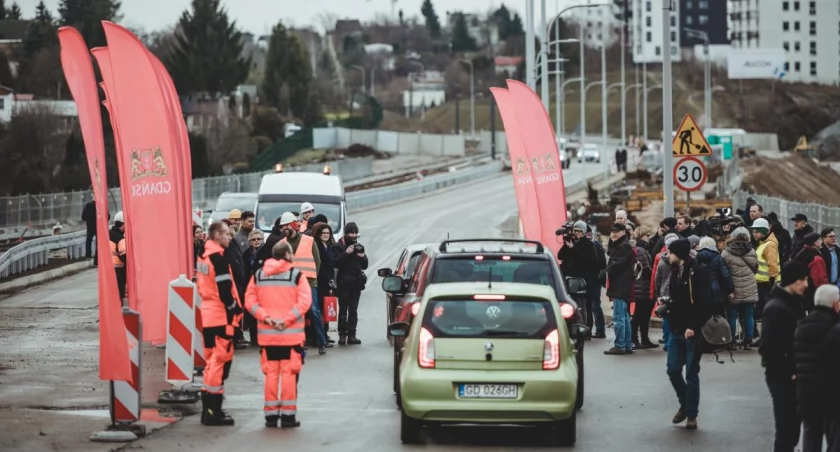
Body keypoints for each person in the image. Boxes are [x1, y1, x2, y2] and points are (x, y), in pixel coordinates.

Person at [244, 241, 311, 428]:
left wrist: (266, 318)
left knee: (271, 375)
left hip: (268, 336)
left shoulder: (258, 276)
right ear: (287, 255)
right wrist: (287, 320)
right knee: (289, 374)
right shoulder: (296, 276)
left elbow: (250, 302)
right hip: (291, 336)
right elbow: (305, 302)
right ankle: (288, 416)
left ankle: (271, 416)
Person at [195, 221, 243, 426]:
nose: (229, 237)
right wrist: (234, 308)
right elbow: (225, 290)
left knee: (212, 361)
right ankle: (213, 411)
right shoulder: (218, 258)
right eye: (226, 234)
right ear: (216, 236)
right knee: (220, 361)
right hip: (221, 316)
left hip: (208, 314)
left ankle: (209, 410)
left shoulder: (203, 256)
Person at [760, 260, 809, 452]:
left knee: (792, 429)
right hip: (783, 377)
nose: (806, 284)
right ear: (792, 281)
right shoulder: (777, 308)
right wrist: (790, 371)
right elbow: (769, 348)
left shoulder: (791, 302)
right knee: (786, 430)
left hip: (791, 375)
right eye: (802, 280)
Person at [664, 238, 712, 430]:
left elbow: (703, 302)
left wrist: (693, 326)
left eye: (670, 252)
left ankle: (691, 415)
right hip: (676, 329)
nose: (668, 255)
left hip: (693, 331)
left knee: (691, 373)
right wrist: (666, 304)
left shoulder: (697, 271)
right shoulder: (675, 270)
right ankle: (685, 404)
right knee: (673, 369)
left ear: (680, 254)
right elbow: (679, 300)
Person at [794, 284, 840, 452]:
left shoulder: (801, 326)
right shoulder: (835, 329)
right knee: (835, 441)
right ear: (835, 304)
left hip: (807, 395)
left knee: (810, 440)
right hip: (832, 397)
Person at [276, 212, 330, 355]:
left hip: (309, 282)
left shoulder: (308, 240)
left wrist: (312, 278)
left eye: (287, 224)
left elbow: (317, 261)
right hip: (291, 285)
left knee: (314, 311)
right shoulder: (282, 244)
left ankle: (321, 342)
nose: (285, 228)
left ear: (294, 224)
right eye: (283, 226)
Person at [557, 220, 599, 335]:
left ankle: (585, 329)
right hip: (570, 278)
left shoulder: (589, 245)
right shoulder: (571, 242)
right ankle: (571, 328)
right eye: (574, 230)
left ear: (584, 232)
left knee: (582, 306)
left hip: (583, 280)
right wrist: (566, 245)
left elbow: (589, 261)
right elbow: (560, 256)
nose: (575, 233)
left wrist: (573, 249)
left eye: (578, 231)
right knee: (569, 305)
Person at [721, 227, 759, 350]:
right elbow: (756, 269)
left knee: (732, 316)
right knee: (749, 315)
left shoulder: (726, 252)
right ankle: (748, 341)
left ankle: (731, 342)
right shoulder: (752, 251)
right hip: (749, 287)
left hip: (733, 288)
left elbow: (724, 271)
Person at [330, 222, 368, 345]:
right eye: (351, 232)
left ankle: (352, 334)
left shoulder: (359, 246)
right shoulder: (338, 247)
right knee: (343, 310)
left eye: (355, 232)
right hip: (343, 283)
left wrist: (363, 256)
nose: (353, 235)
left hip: (356, 283)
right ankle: (342, 335)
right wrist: (346, 253)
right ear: (346, 233)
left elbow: (365, 265)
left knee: (353, 310)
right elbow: (334, 263)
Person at [603, 222, 634, 355]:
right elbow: (611, 254)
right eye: (612, 232)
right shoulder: (622, 245)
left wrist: (604, 272)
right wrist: (612, 241)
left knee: (619, 317)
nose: (613, 234)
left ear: (623, 232)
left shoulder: (623, 247)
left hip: (620, 285)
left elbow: (615, 264)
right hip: (623, 285)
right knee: (624, 316)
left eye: (616, 232)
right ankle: (626, 344)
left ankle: (620, 345)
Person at [631, 229, 656, 349]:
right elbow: (645, 269)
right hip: (642, 286)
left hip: (643, 286)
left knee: (643, 314)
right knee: (640, 314)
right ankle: (635, 339)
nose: (648, 237)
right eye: (647, 235)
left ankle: (643, 339)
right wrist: (655, 274)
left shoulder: (642, 248)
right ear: (641, 236)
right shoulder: (640, 249)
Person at [752, 218, 780, 321]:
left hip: (766, 283)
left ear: (764, 231)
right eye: (753, 231)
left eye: (757, 231)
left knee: (764, 310)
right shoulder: (763, 243)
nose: (754, 234)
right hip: (762, 282)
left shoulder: (769, 245)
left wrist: (772, 281)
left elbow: (772, 264)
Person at [313, 222, 337, 344]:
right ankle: (319, 337)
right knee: (320, 309)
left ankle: (324, 335)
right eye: (323, 233)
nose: (326, 235)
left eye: (328, 233)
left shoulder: (328, 246)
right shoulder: (317, 246)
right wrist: (328, 279)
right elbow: (320, 265)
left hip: (326, 281)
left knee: (325, 309)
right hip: (319, 281)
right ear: (318, 234)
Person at [794, 232, 829, 312]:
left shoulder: (801, 253)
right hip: (813, 294)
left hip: (801, 290)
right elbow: (819, 279)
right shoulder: (816, 258)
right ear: (815, 243)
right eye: (820, 240)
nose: (821, 242)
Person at [588, 225, 608, 338]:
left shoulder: (597, 246)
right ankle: (596, 329)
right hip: (590, 279)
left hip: (595, 279)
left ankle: (600, 330)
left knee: (595, 304)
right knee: (592, 305)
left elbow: (602, 263)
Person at [109, 211, 127, 301]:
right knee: (119, 294)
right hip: (118, 270)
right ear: (123, 224)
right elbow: (125, 257)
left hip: (107, 270)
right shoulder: (120, 239)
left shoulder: (107, 234)